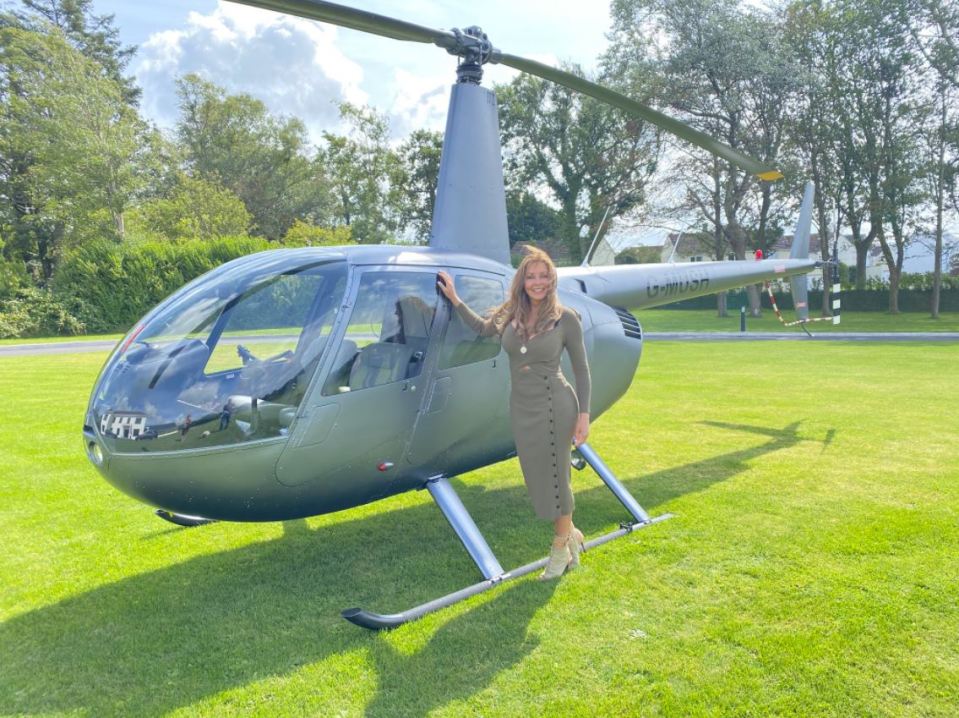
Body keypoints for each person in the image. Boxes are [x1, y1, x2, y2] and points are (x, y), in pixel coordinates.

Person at [436, 247, 591, 580]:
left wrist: (584, 416)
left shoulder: (566, 319)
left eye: (543, 276)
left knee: (557, 475)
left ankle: (558, 550)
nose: (537, 282)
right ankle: (572, 533)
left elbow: (581, 370)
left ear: (552, 280)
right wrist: (454, 299)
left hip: (556, 405)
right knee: (539, 478)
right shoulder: (511, 313)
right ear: (522, 281)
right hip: (522, 407)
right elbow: (481, 328)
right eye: (531, 276)